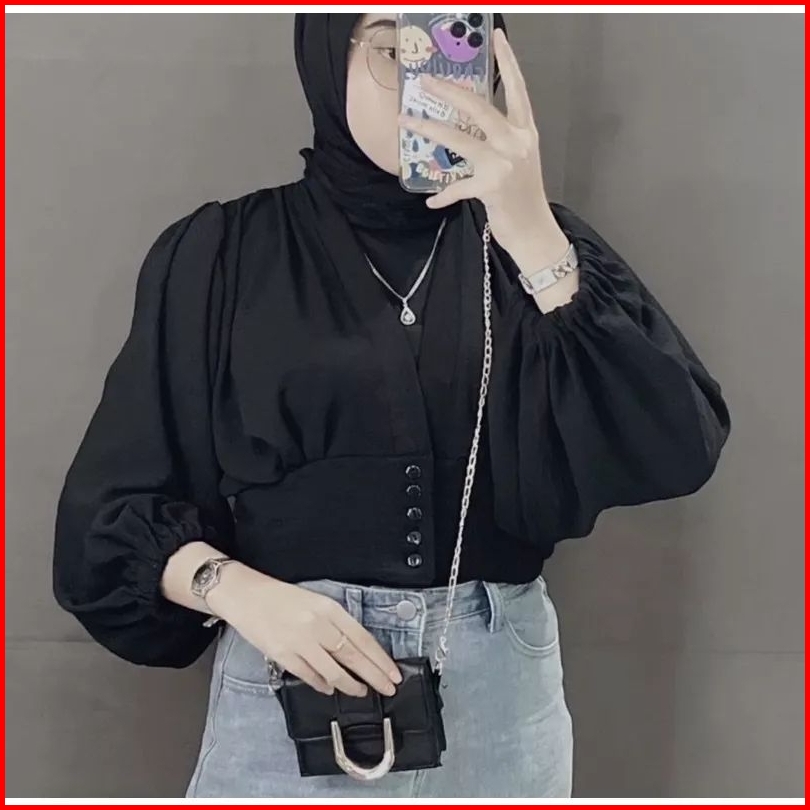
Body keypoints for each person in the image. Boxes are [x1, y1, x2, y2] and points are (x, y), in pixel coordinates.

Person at [52, 13, 731, 799]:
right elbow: (106, 515)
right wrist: (235, 590)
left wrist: (534, 234)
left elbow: (677, 441)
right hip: (294, 685)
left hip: (499, 698)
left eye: (454, 43)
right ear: (325, 53)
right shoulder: (223, 253)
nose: (426, 79)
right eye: (394, 45)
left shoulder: (535, 247)